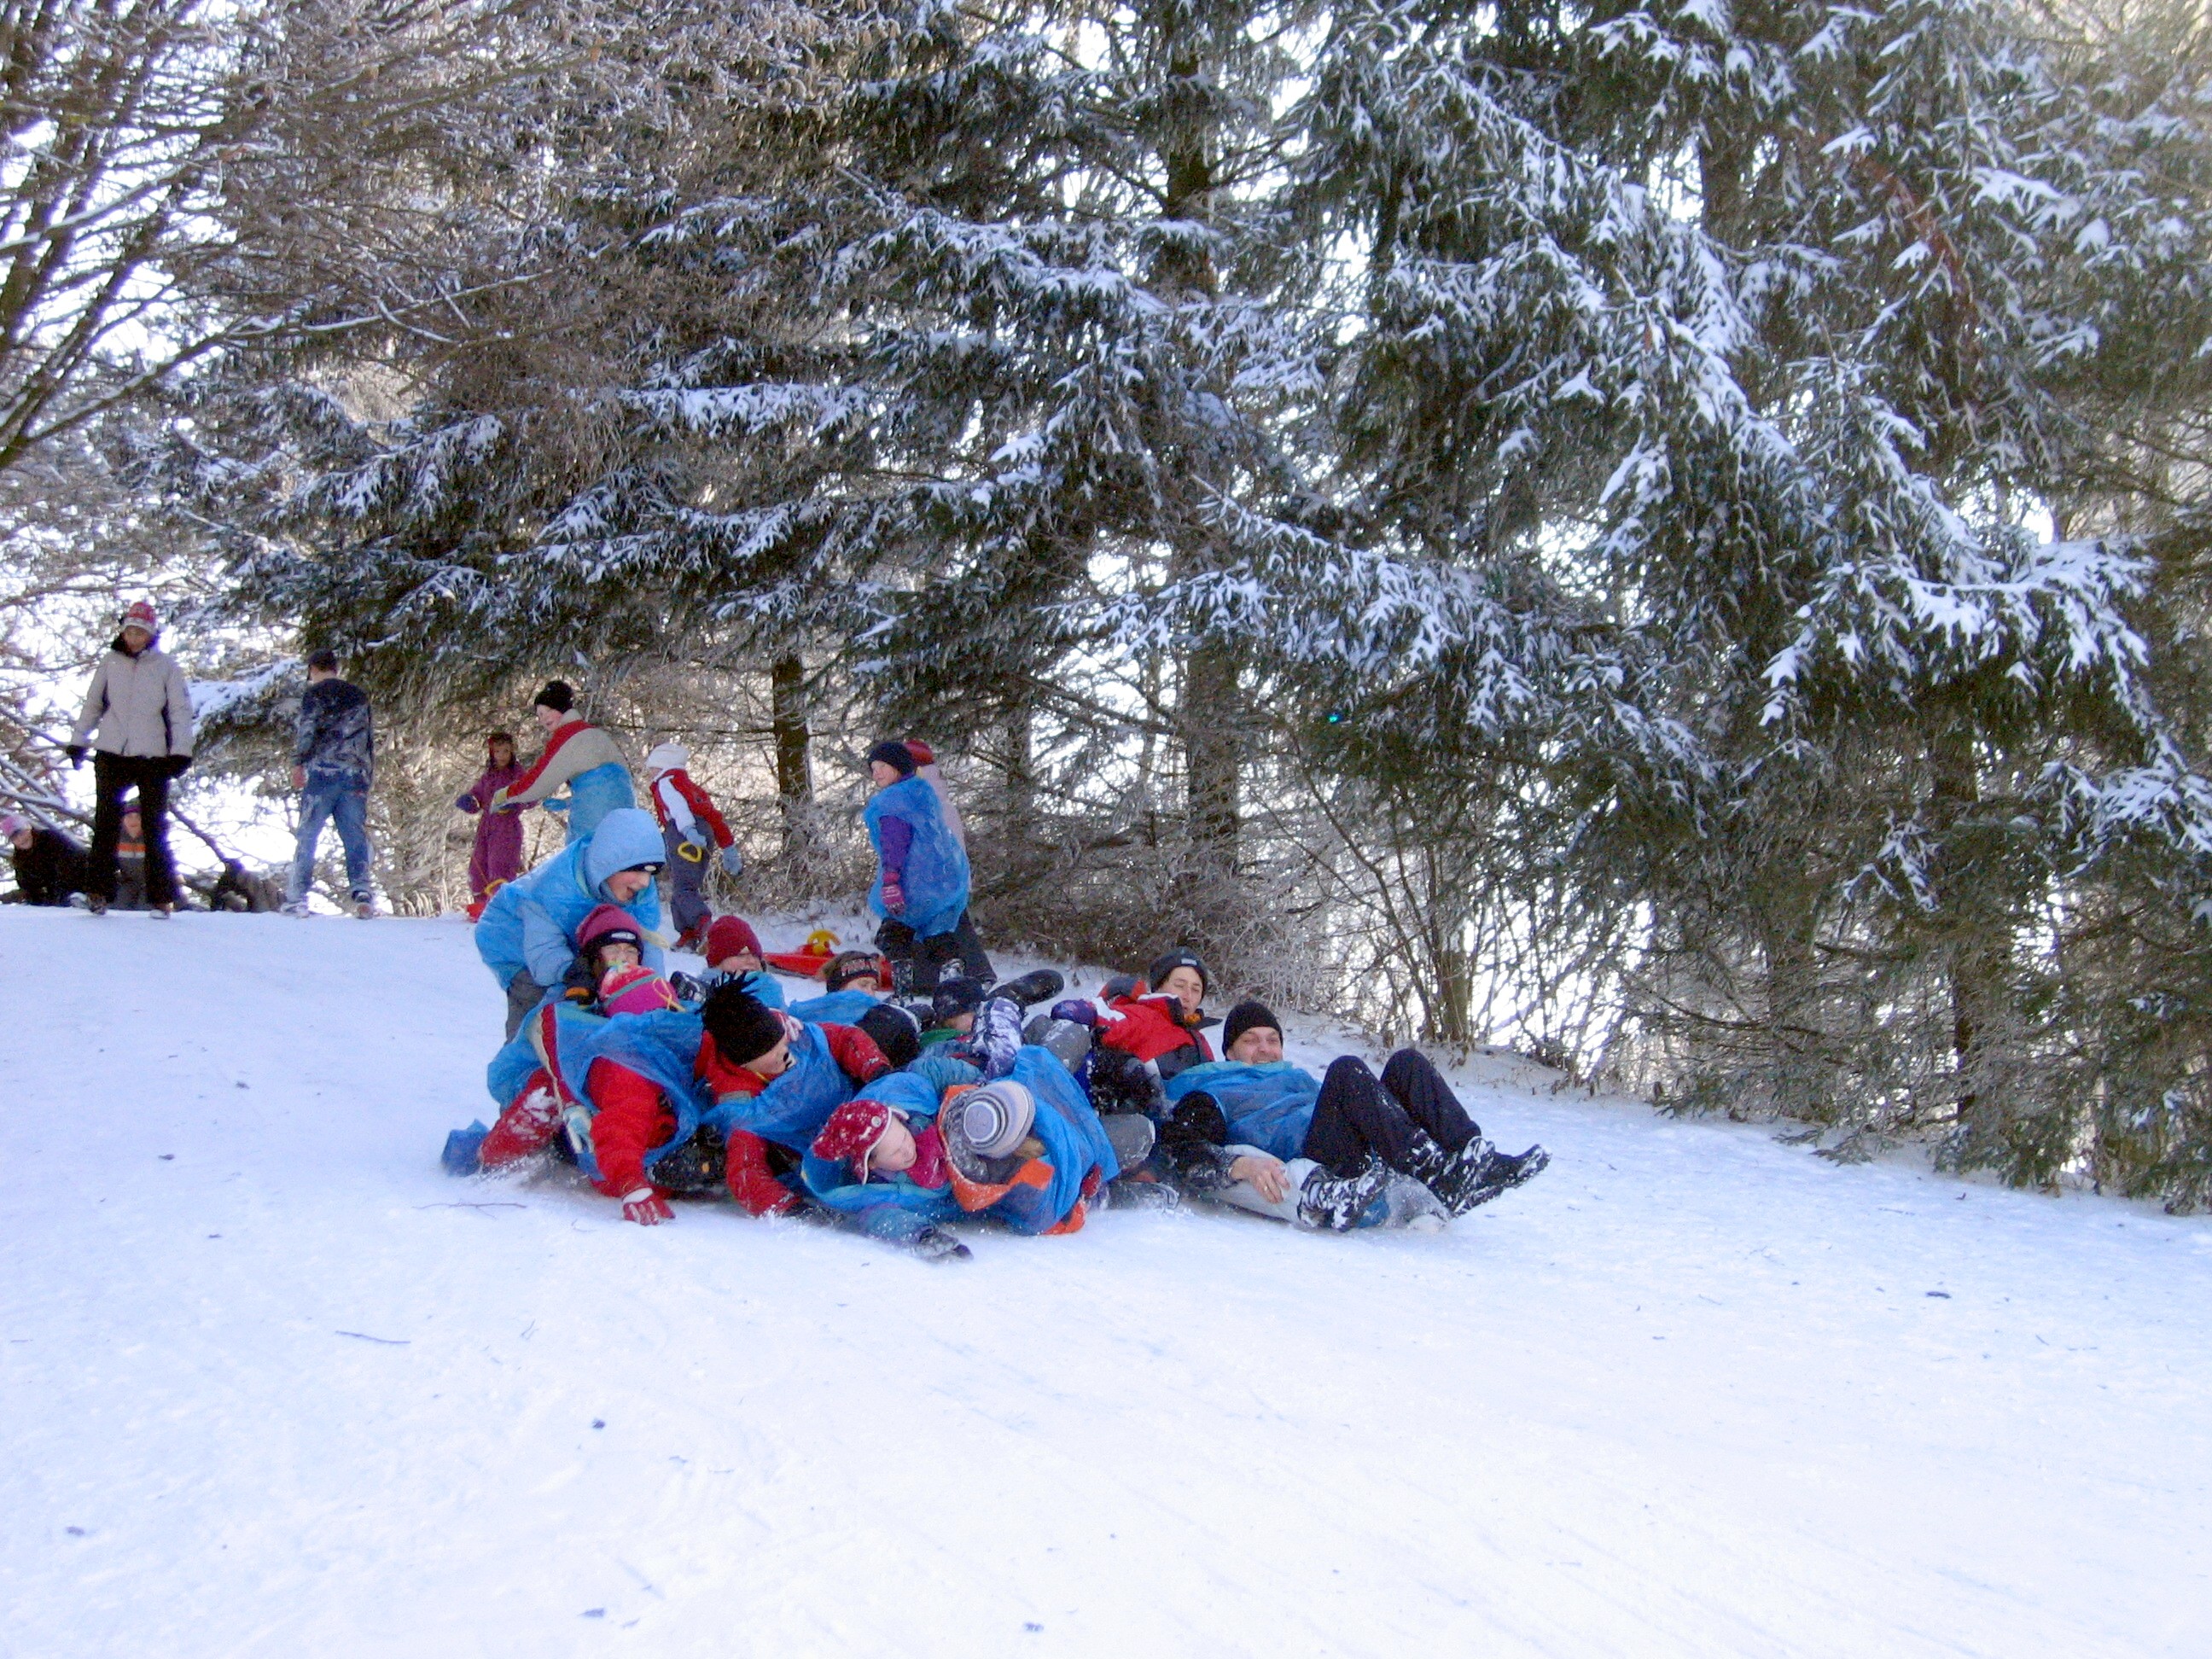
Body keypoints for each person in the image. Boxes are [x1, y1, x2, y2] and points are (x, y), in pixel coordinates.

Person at [1159, 1000, 1549, 1226]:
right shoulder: (1211, 1088)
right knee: (1346, 1069)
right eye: (1251, 1041)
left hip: (1352, 1142)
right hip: (1313, 1153)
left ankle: (1472, 1154)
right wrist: (1238, 1165)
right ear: (1229, 1051)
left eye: (1272, 1040)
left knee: (1407, 1064)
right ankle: (1436, 1174)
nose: (1264, 1049)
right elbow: (1182, 1146)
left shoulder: (1297, 1079)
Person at [474, 806, 667, 1039]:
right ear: (609, 863)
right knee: (540, 1013)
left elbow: (646, 942)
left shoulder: (639, 890)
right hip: (514, 940)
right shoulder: (553, 890)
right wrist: (571, 970)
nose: (645, 882)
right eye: (637, 870)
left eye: (652, 871)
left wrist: (656, 990)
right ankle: (524, 1067)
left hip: (574, 939)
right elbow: (544, 958)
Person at [67, 599, 192, 917]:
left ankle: (161, 897)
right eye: (129, 632)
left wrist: (181, 751)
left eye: (140, 633)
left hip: (152, 754)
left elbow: (179, 711)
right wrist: (78, 740)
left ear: (150, 635)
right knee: (106, 823)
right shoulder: (110, 662)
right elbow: (93, 703)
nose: (133, 638)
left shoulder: (166, 666)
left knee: (154, 826)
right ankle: (97, 892)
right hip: (112, 749)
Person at [862, 740, 981, 995]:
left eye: (882, 766)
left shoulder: (893, 801)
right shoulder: (925, 794)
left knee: (892, 935)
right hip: (944, 883)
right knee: (936, 934)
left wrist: (891, 881)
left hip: (911, 883)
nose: (876, 773)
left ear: (899, 766)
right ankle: (952, 974)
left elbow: (894, 844)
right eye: (873, 768)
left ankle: (904, 988)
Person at [284, 649, 375, 918]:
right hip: (355, 774)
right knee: (354, 835)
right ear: (336, 668)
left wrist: (298, 763)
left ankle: (297, 896)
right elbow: (369, 740)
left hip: (323, 773)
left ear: (313, 669)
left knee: (309, 834)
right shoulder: (358, 696)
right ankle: (362, 893)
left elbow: (308, 730)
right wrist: (367, 777)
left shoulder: (315, 695)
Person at [491, 681, 636, 844]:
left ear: (560, 708)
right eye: (539, 715)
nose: (542, 719)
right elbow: (613, 782)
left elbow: (539, 781)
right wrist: (572, 802)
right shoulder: (595, 733)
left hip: (594, 820)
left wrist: (505, 795)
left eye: (546, 711)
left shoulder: (567, 736)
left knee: (587, 860)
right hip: (625, 814)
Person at [902, 737, 992, 982]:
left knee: (945, 929)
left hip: (939, 884)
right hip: (946, 882)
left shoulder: (923, 800)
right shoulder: (932, 798)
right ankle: (951, 974)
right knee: (944, 929)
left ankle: (967, 974)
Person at [641, 742, 742, 952]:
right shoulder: (692, 788)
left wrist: (687, 830)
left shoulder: (666, 782)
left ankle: (705, 927)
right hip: (705, 833)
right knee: (684, 886)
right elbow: (714, 817)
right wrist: (728, 847)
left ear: (664, 766)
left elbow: (678, 809)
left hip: (683, 834)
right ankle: (689, 934)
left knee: (684, 888)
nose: (650, 773)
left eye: (653, 768)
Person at [1095, 948, 1218, 1088]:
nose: (1188, 996)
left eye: (1196, 990)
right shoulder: (1142, 1016)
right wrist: (1086, 1011)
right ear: (1159, 987)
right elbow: (1103, 1018)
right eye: (1179, 985)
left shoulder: (1200, 1041)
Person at [456, 731, 529, 917]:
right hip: (486, 826)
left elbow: (531, 795)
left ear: (512, 751)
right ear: (492, 753)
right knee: (479, 863)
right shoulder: (489, 775)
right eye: (498, 751)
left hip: (507, 827)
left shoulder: (517, 773)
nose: (502, 756)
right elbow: (478, 795)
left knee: (500, 864)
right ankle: (481, 904)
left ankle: (500, 907)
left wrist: (516, 802)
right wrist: (470, 801)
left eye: (506, 751)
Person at [3, 813, 86, 905]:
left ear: (29, 829)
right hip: (56, 897)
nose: (20, 839)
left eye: (21, 833)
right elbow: (28, 887)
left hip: (82, 881)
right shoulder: (20, 860)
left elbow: (74, 861)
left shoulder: (51, 838)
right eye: (14, 837)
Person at [788, 949, 888, 1024]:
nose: (870, 993)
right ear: (840, 986)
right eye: (863, 985)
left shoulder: (882, 1019)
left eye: (874, 988)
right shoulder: (803, 1021)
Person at [114, 799, 147, 909]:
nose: (134, 821)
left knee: (144, 909)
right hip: (127, 883)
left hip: (150, 884)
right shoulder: (116, 839)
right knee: (119, 907)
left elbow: (167, 870)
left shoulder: (153, 839)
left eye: (138, 817)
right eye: (129, 817)